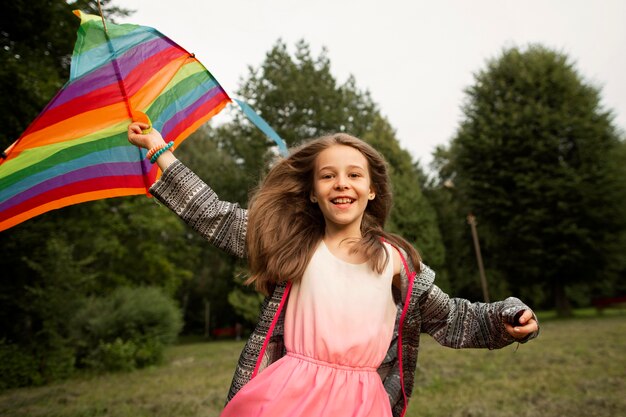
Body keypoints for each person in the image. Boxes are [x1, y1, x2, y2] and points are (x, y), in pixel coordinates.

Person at [128, 122, 539, 417]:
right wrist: (162, 151)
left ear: (372, 189)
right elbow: (215, 216)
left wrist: (507, 318)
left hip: (362, 401)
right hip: (288, 395)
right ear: (312, 192)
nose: (341, 183)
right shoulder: (292, 245)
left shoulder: (397, 261)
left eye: (353, 174)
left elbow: (452, 317)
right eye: (328, 176)